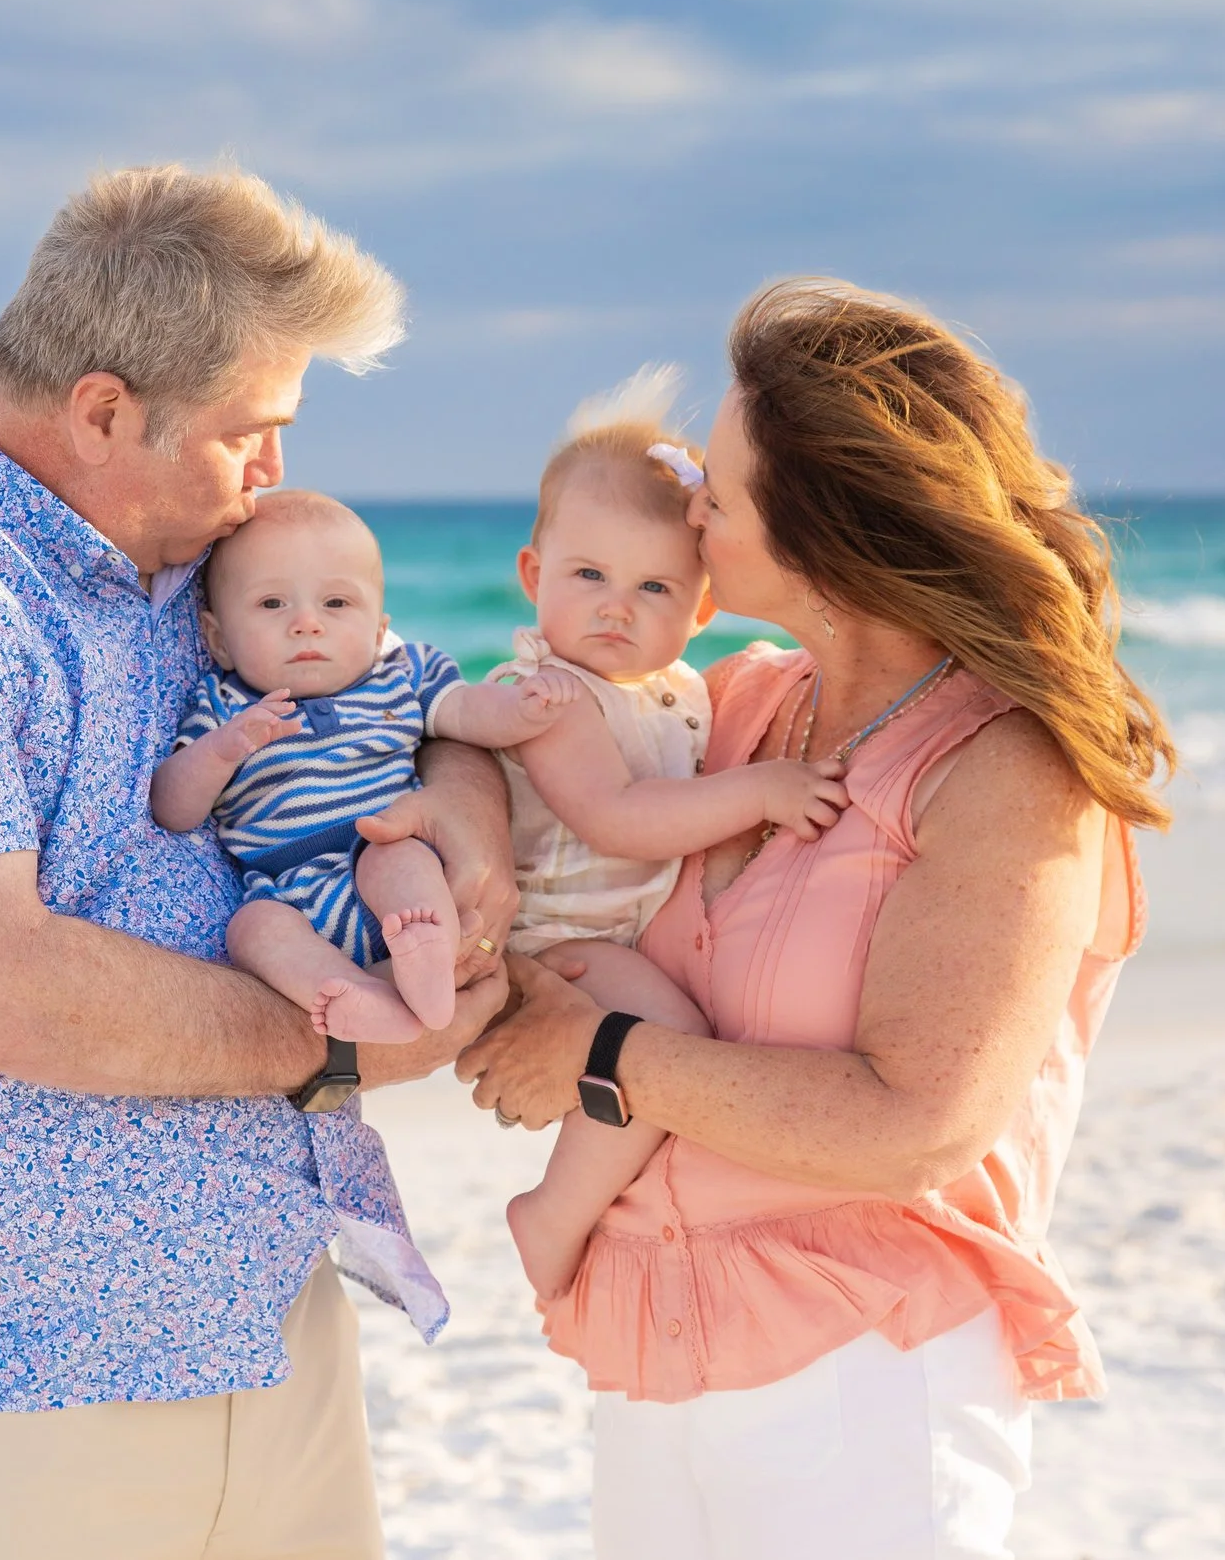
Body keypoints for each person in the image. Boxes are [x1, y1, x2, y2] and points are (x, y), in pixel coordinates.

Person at [0, 164, 518, 1560]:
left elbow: (395, 691)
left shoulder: (189, 560)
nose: (270, 477)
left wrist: (462, 805)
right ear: (101, 410)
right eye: (246, 436)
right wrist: (333, 1046)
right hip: (15, 1380)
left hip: (269, 1323)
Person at [458, 278, 1172, 1560]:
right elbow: (522, 732)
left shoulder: (1005, 765)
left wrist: (598, 1054)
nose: (687, 508)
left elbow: (917, 1123)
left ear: (822, 533)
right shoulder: (725, 705)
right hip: (654, 1342)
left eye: (717, 492)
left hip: (870, 1372)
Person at [475, 369, 855, 1299]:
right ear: (533, 577)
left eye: (654, 586)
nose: (617, 606)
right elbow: (617, 817)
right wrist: (759, 790)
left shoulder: (679, 690)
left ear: (700, 609)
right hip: (555, 938)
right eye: (589, 576)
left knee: (669, 1037)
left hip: (609, 929)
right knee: (669, 1036)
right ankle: (553, 1209)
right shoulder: (550, 697)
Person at [153, 489, 580, 1044]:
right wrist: (220, 751)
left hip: (384, 856)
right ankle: (355, 995)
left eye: (336, 603)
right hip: (289, 892)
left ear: (378, 632)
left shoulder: (400, 675)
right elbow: (173, 809)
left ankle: (426, 951)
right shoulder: (223, 706)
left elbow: (465, 713)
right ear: (219, 640)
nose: (307, 623)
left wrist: (520, 708)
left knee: (394, 854)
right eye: (272, 604)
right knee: (250, 930)